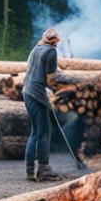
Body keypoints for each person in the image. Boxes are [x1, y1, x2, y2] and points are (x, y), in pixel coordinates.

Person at [23, 27, 61, 181]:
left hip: (27, 91)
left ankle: (30, 170)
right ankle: (44, 169)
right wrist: (57, 89)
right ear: (55, 40)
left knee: (35, 131)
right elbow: (51, 79)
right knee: (44, 130)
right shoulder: (51, 51)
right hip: (37, 93)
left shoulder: (36, 49)